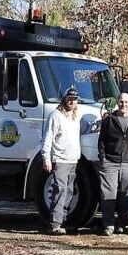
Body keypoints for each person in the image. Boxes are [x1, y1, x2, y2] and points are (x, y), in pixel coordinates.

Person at [97, 92, 128, 235]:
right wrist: (103, 158)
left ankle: (121, 224)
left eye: (126, 102)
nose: (124, 105)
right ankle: (108, 225)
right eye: (121, 102)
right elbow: (101, 141)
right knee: (108, 194)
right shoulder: (109, 120)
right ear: (118, 103)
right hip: (110, 162)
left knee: (126, 195)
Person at [40, 87, 84, 235]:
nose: (72, 101)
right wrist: (46, 157)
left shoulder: (76, 117)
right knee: (60, 190)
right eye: (70, 98)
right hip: (60, 159)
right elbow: (48, 137)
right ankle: (54, 224)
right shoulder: (55, 115)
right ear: (64, 99)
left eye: (75, 99)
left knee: (69, 191)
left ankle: (63, 220)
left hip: (73, 159)